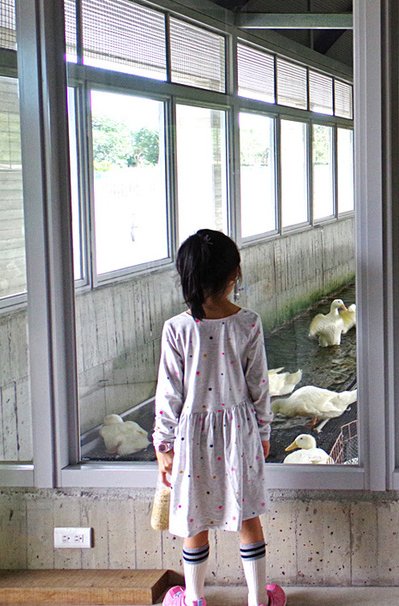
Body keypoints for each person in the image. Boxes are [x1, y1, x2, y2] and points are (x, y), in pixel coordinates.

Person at [153, 229, 284, 606]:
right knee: (246, 515)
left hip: (191, 435)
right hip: (239, 432)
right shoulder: (249, 323)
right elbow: (260, 385)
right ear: (234, 275)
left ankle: (193, 598)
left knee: (194, 519)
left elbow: (169, 392)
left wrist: (164, 445)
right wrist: (263, 431)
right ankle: (259, 598)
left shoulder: (177, 329)